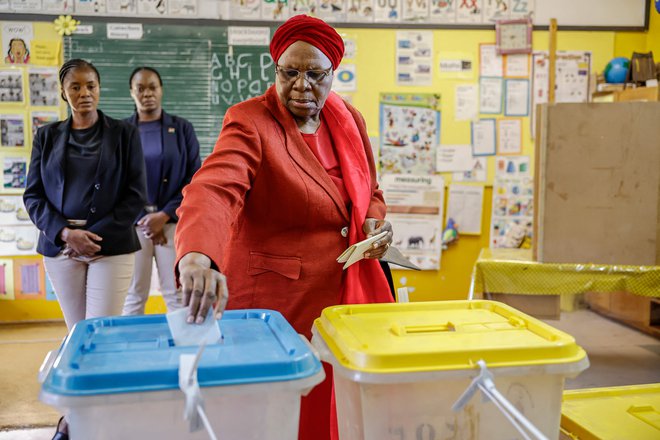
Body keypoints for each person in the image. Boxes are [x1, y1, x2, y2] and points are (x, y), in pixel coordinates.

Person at [174, 15, 393, 440]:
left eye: (315, 74)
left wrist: (375, 221)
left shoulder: (349, 120)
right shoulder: (251, 121)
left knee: (337, 406)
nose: (301, 85)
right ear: (275, 69)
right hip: (278, 302)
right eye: (289, 72)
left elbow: (371, 189)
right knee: (281, 414)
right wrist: (198, 255)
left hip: (344, 300)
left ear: (333, 73)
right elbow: (215, 189)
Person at [23, 59, 146, 440]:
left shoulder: (124, 133)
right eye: (75, 87)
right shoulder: (46, 137)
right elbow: (33, 195)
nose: (84, 93)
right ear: (64, 92)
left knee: (100, 336)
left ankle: (91, 423)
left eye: (90, 85)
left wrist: (93, 236)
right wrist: (64, 234)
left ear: (99, 87)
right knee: (77, 336)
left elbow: (136, 196)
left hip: (112, 247)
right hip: (60, 248)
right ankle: (76, 420)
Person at [122, 66, 201, 315]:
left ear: (161, 89)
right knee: (133, 295)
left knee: (177, 292)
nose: (147, 93)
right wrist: (143, 220)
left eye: (152, 87)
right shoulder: (120, 132)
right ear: (131, 92)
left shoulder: (182, 129)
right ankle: (130, 351)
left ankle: (185, 350)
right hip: (133, 226)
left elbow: (194, 177)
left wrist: (163, 215)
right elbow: (113, 182)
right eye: (140, 88)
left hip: (173, 223)